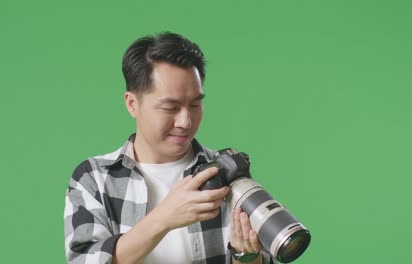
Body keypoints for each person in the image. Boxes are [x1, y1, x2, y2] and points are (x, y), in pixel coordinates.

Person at [64, 32, 277, 264]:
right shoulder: (94, 178)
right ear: (132, 104)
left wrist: (245, 255)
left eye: (195, 104)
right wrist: (164, 218)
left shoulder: (225, 171)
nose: (185, 121)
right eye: (170, 107)